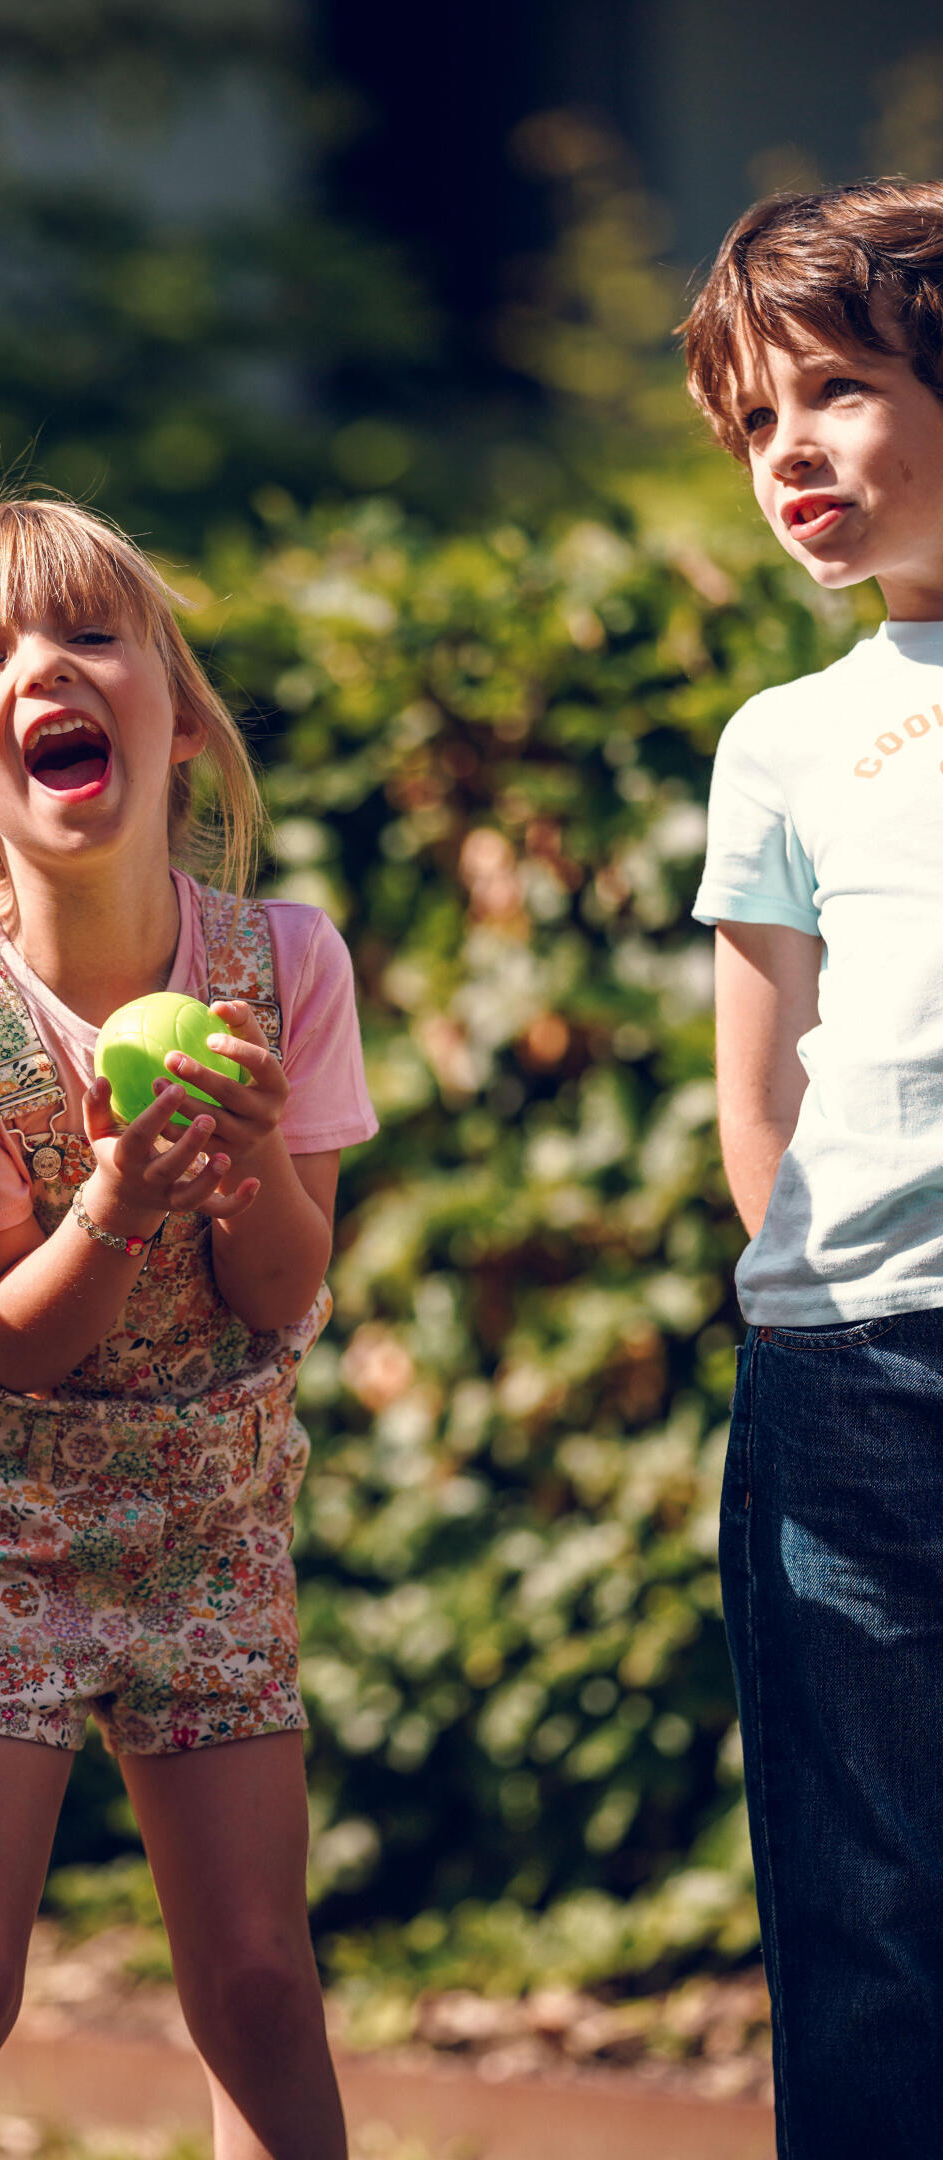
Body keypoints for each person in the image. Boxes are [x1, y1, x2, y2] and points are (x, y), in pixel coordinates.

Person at [0, 498, 377, 2160]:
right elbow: (14, 1341)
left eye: (87, 637)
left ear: (179, 717)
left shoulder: (287, 966)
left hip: (211, 1517)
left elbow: (288, 1293)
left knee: (264, 1983)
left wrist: (249, 1164)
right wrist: (120, 1201)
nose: (42, 669)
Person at [684, 180, 943, 2160]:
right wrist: (814, 1308)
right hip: (843, 1383)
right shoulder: (783, 742)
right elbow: (756, 1097)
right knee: (861, 1920)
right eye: (755, 416)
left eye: (836, 390)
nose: (787, 452)